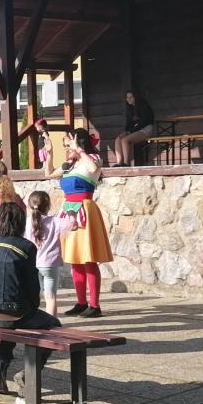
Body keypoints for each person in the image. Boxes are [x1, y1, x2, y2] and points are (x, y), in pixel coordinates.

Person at [0, 204, 62, 394]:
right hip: (14, 312)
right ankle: (28, 375)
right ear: (20, 223)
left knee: (10, 324)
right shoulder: (26, 247)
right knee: (53, 324)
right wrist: (32, 306)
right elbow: (32, 285)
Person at [48, 128, 113, 318]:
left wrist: (79, 150)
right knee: (74, 257)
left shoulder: (93, 159)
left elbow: (92, 169)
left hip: (85, 209)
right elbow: (50, 173)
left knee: (88, 258)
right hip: (69, 210)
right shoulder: (70, 164)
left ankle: (95, 305)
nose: (67, 147)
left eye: (69, 143)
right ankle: (81, 302)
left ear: (79, 142)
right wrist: (49, 154)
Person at [25, 190, 73, 317]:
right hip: (50, 264)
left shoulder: (27, 222)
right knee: (51, 297)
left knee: (35, 295)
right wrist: (70, 214)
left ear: (29, 206)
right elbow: (73, 226)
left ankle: (33, 320)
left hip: (33, 263)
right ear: (48, 206)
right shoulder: (55, 221)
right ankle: (51, 323)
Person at [111, 90, 156, 167]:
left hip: (146, 129)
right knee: (118, 139)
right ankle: (119, 163)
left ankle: (126, 163)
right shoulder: (130, 108)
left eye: (131, 97)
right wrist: (126, 131)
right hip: (134, 130)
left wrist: (130, 132)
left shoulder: (143, 105)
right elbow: (129, 123)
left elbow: (144, 122)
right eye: (127, 97)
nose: (128, 99)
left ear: (136, 97)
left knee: (125, 140)